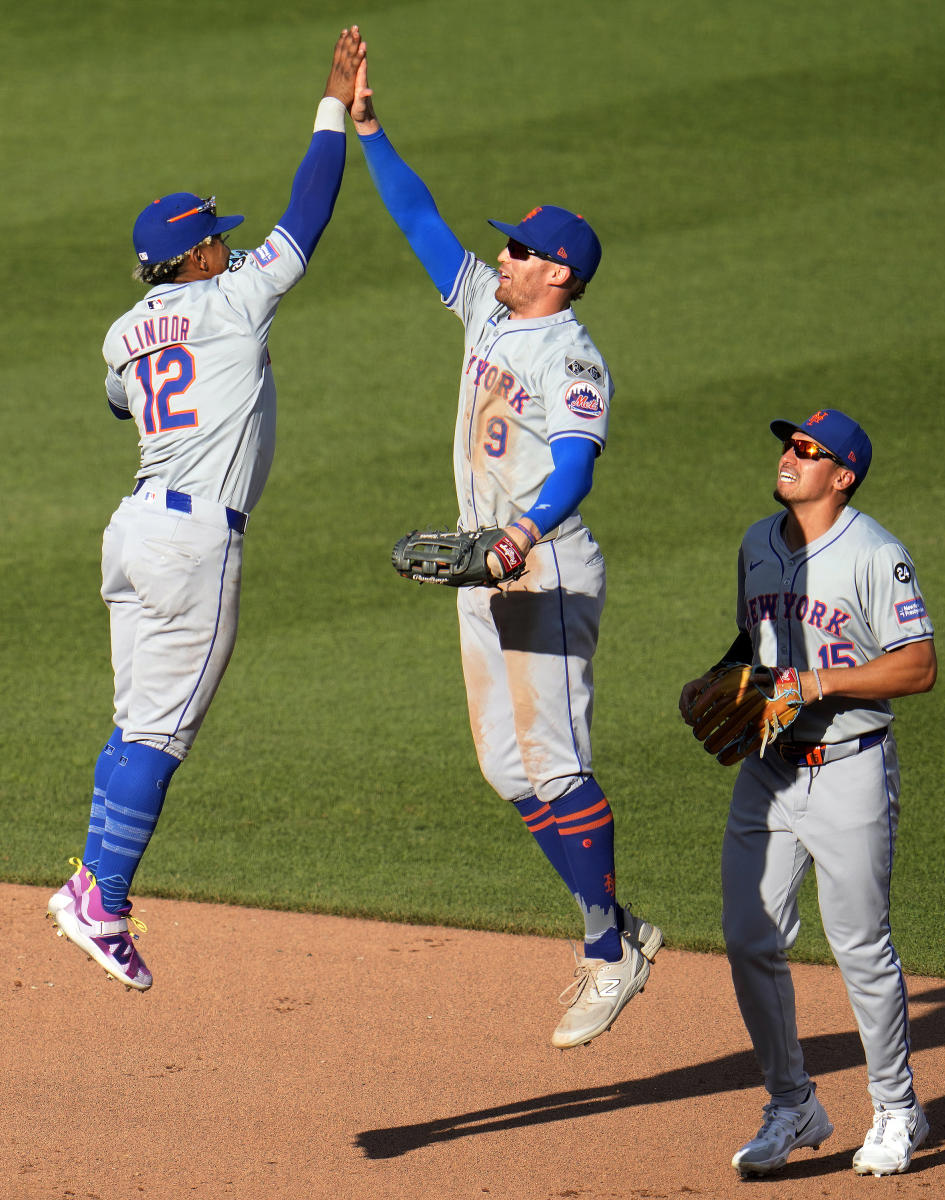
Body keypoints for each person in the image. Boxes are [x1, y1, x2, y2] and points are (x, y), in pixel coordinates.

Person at [347, 44, 662, 1050]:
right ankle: (615, 932)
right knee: (509, 773)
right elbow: (420, 221)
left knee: (559, 765)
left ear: (559, 272)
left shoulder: (574, 355)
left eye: (523, 250)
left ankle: (612, 951)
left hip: (543, 566)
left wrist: (523, 530)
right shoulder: (489, 304)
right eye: (511, 248)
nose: (507, 257)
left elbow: (574, 465)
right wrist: (370, 132)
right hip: (483, 567)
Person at [46, 29, 366, 992]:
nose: (232, 243)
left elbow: (121, 402)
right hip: (192, 544)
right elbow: (309, 215)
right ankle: (102, 901)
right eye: (217, 237)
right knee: (158, 733)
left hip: (133, 529)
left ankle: (87, 888)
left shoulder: (120, 334)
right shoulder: (232, 299)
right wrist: (332, 106)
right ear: (194, 258)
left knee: (131, 721)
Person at [680, 409, 937, 1177]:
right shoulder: (757, 544)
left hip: (849, 765)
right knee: (749, 938)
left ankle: (897, 1110)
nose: (789, 457)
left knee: (860, 947)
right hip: (768, 767)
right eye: (788, 446)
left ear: (842, 474)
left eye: (807, 450)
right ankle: (793, 1104)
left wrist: (819, 681)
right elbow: (755, 645)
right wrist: (715, 675)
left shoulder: (874, 553)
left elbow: (917, 665)